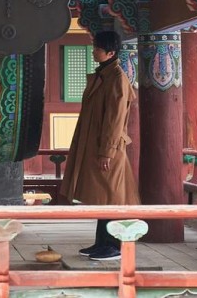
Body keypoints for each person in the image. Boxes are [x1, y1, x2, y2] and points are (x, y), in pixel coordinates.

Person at [59, 31, 139, 261]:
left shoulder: (117, 79)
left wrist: (107, 151)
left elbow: (115, 121)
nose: (94, 52)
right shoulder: (104, 75)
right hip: (97, 145)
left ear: (110, 53)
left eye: (97, 49)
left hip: (109, 150)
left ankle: (114, 246)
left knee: (112, 196)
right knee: (103, 196)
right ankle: (101, 242)